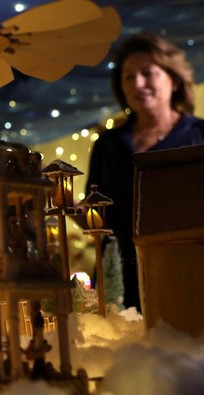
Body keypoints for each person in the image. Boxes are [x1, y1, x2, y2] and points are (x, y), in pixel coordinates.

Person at [86, 32, 204, 311]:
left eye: (147, 73)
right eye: (128, 76)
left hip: (187, 272)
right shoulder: (108, 143)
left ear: (174, 80)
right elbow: (95, 208)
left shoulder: (200, 136)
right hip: (118, 275)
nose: (137, 83)